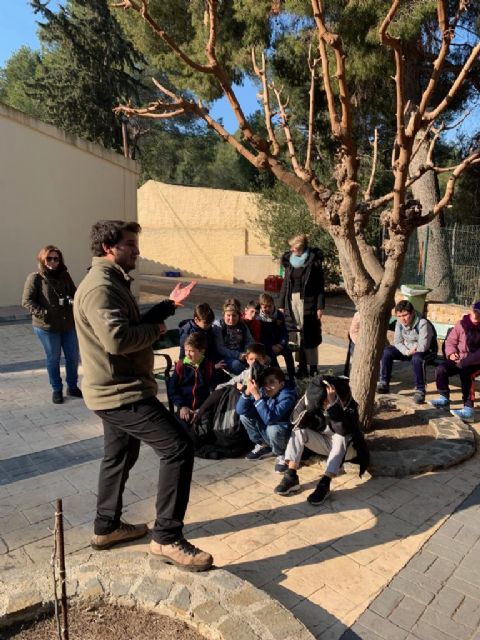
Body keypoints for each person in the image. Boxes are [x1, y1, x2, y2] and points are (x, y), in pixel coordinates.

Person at [73, 220, 213, 572]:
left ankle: (106, 528)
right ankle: (167, 538)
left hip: (115, 388)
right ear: (109, 248)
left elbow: (127, 325)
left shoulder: (112, 280)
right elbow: (118, 341)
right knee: (178, 447)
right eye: (131, 245)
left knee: (118, 455)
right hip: (121, 392)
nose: (137, 251)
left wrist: (167, 305)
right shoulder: (100, 287)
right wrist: (158, 329)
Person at [274, 376, 369, 505]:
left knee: (341, 437)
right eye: (323, 401)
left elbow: (342, 430)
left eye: (327, 400)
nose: (324, 404)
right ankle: (291, 476)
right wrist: (309, 402)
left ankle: (325, 482)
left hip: (348, 450)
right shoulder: (316, 401)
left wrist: (334, 407)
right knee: (299, 431)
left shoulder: (351, 408)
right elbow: (295, 420)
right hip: (325, 444)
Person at [22, 245, 81, 404]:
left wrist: (75, 302)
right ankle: (56, 389)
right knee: (53, 358)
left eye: (56, 259)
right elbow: (27, 301)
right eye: (49, 258)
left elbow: (75, 294)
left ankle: (73, 387)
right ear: (42, 259)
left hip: (67, 324)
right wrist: (45, 313)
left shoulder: (65, 275)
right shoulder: (35, 278)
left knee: (73, 357)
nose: (53, 262)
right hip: (47, 327)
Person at [278, 233, 325, 378]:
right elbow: (285, 284)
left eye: (293, 247)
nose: (291, 250)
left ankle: (313, 367)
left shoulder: (313, 262)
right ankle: (302, 366)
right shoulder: (289, 262)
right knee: (297, 335)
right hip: (292, 301)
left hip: (308, 302)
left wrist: (319, 306)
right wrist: (281, 304)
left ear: (300, 247)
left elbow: (319, 286)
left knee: (310, 335)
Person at [236, 367, 297, 473]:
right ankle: (264, 445)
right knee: (244, 416)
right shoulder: (263, 391)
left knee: (273, 428)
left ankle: (283, 455)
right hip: (269, 433)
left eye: (272, 382)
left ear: (281, 384)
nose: (267, 387)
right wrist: (247, 392)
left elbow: (270, 419)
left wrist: (256, 396)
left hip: (284, 437)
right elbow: (240, 410)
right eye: (265, 383)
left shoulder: (287, 396)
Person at [377, 300, 437, 404]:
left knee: (417, 359)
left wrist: (409, 349)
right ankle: (384, 383)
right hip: (409, 350)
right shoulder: (399, 323)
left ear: (412, 312)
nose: (402, 319)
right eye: (399, 316)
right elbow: (397, 342)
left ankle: (420, 390)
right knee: (387, 352)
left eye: (405, 315)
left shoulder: (423, 323)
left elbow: (423, 346)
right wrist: (406, 351)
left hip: (427, 351)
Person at [429, 301, 480, 423]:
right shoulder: (462, 324)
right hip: (459, 359)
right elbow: (450, 341)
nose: (476, 315)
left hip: (476, 362)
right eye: (475, 311)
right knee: (441, 369)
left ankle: (468, 410)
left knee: (466, 374)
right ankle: (444, 399)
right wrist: (451, 354)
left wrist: (465, 362)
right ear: (471, 310)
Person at [168, 332, 217, 426]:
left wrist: (202, 409)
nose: (187, 354)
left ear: (202, 351)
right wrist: (182, 406)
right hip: (184, 408)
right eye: (186, 350)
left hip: (203, 410)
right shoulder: (181, 366)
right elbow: (172, 389)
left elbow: (213, 391)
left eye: (192, 351)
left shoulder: (208, 366)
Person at [258, 292, 295, 380]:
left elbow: (284, 333)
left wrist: (281, 344)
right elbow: (262, 336)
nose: (268, 309)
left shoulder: (279, 315)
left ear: (273, 305)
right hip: (267, 346)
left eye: (270, 306)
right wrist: (271, 346)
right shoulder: (259, 318)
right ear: (261, 307)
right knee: (271, 357)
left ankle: (292, 375)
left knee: (288, 352)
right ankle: (279, 377)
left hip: (279, 343)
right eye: (265, 307)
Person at [213, 298, 253, 375]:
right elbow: (220, 348)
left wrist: (247, 353)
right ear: (224, 315)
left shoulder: (242, 325)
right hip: (226, 356)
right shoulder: (219, 326)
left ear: (239, 316)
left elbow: (249, 341)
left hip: (242, 352)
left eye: (234, 315)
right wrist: (238, 355)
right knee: (237, 365)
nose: (231, 319)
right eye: (228, 315)